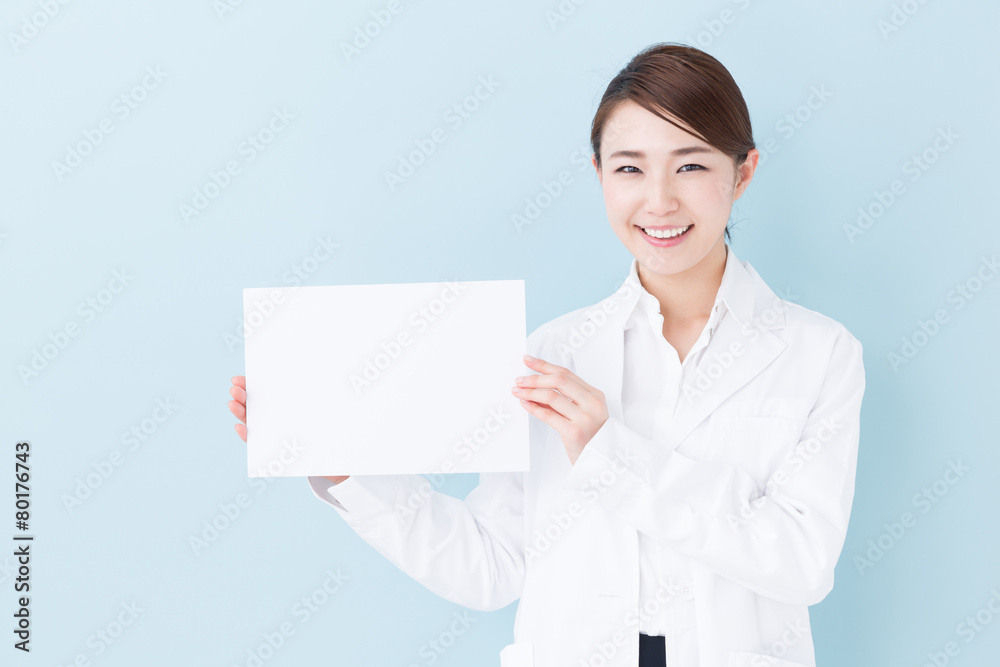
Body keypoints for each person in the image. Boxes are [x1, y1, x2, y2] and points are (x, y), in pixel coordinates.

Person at [228, 42, 866, 667]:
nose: (660, 200)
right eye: (629, 168)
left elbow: (801, 561)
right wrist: (346, 467)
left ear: (744, 171)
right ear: (598, 175)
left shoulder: (819, 355)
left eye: (692, 166)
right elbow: (492, 565)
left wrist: (607, 450)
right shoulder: (553, 354)